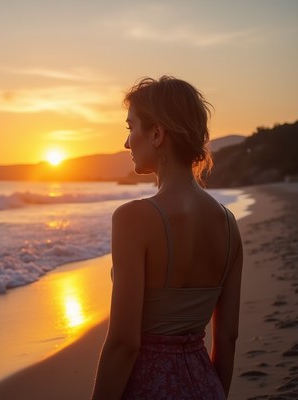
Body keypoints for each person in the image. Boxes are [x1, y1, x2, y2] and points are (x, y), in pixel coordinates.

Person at [91, 75, 243, 399]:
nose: (127, 142)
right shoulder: (229, 225)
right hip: (207, 386)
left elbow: (123, 343)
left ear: (157, 133)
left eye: (131, 127)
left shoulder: (133, 219)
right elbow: (227, 338)